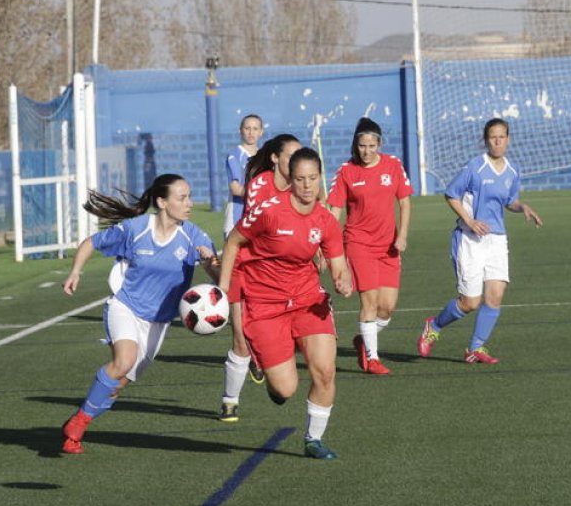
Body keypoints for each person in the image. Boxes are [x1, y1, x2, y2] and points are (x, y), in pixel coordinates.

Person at [59, 174, 219, 455]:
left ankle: (78, 421)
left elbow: (219, 279)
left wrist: (209, 262)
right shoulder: (135, 229)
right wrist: (75, 272)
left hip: (158, 322)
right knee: (123, 361)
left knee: (117, 386)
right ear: (162, 202)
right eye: (182, 198)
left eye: (189, 196)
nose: (189, 203)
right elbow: (91, 243)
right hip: (126, 307)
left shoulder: (194, 236)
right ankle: (78, 425)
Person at [220, 147, 353, 459]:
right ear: (290, 180)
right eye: (300, 179)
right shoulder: (269, 211)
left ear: (321, 178)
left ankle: (313, 440)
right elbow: (234, 241)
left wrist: (342, 279)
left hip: (308, 301)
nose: (307, 186)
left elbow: (338, 264)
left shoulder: (326, 221)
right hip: (265, 305)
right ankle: (271, 372)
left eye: (313, 178)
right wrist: (223, 289)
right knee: (285, 389)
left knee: (324, 371)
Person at [417, 118, 542, 364]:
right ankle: (434, 326)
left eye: (501, 137)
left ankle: (475, 347)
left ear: (509, 139)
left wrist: (522, 206)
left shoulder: (513, 170)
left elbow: (509, 201)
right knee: (470, 303)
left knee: (495, 295)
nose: (497, 141)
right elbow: (451, 195)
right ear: (486, 140)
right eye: (492, 137)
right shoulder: (475, 167)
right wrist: (470, 221)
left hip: (496, 240)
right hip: (470, 240)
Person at [217, 133, 303, 422]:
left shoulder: (302, 187)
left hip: (277, 272)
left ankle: (264, 359)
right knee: (240, 338)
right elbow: (265, 229)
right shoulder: (260, 185)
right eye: (291, 156)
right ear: (276, 158)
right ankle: (230, 400)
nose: (297, 162)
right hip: (246, 264)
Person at [326, 117, 412, 375]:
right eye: (362, 146)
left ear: (379, 144)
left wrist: (403, 235)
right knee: (370, 302)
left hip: (389, 247)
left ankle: (365, 338)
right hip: (358, 244)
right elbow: (334, 211)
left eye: (372, 146)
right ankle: (372, 359)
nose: (366, 151)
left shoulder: (393, 165)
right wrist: (328, 246)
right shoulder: (347, 171)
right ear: (356, 144)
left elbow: (405, 202)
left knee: (387, 307)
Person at [224, 114, 264, 239]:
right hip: (238, 213)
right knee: (233, 256)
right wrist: (261, 194)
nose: (251, 132)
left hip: (260, 215)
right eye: (247, 128)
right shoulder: (234, 156)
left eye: (255, 128)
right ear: (240, 130)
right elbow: (236, 189)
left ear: (261, 132)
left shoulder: (265, 157)